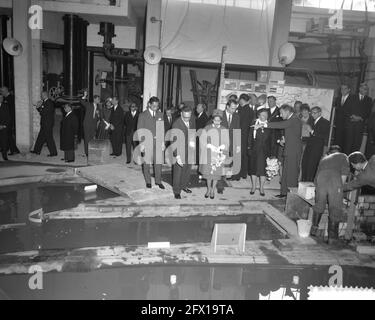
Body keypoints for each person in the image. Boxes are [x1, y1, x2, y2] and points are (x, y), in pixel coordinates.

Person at [258, 104, 302, 198]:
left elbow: (281, 125)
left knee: (291, 175)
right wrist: (284, 139)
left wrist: (264, 124)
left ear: (287, 111)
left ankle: (291, 197)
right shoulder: (290, 120)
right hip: (288, 149)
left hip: (293, 151)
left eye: (281, 113)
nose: (281, 115)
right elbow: (291, 133)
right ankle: (284, 193)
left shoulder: (294, 119)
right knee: (285, 173)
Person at [311, 145, 350, 245]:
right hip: (334, 179)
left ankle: (313, 230)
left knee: (319, 204)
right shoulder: (343, 156)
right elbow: (344, 176)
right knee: (335, 207)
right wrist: (339, 191)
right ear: (339, 151)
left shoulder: (324, 158)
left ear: (330, 152)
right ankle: (332, 238)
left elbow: (316, 179)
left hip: (321, 179)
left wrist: (319, 192)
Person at [199, 109, 229, 199]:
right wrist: (208, 145)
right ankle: (208, 189)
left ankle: (213, 190)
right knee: (208, 174)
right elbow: (202, 139)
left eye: (219, 120)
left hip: (218, 155)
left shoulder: (224, 129)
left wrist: (223, 146)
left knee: (216, 174)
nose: (217, 122)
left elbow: (227, 141)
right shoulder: (207, 128)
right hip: (208, 154)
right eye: (215, 120)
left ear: (221, 120)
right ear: (212, 120)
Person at [137, 96, 165, 189]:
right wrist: (141, 144)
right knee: (146, 163)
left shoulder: (160, 114)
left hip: (158, 142)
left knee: (158, 163)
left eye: (157, 106)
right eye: (153, 106)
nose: (155, 108)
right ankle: (148, 181)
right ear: (149, 104)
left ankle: (158, 181)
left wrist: (162, 142)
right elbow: (140, 130)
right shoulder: (142, 115)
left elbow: (161, 129)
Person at [172, 105, 196, 199]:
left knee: (187, 170)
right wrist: (177, 156)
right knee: (178, 172)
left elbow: (193, 133)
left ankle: (184, 186)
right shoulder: (176, 124)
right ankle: (176, 191)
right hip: (180, 151)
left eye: (189, 117)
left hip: (189, 149)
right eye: (185, 117)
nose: (187, 119)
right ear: (181, 114)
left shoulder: (192, 119)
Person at [301, 107, 330, 182]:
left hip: (317, 147)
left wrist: (312, 131)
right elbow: (308, 134)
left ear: (320, 113)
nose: (313, 114)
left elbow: (324, 135)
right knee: (305, 163)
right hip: (309, 146)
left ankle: (309, 183)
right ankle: (303, 181)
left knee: (312, 165)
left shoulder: (325, 122)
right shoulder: (311, 121)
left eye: (315, 113)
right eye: (312, 113)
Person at [343, 82, 372, 155]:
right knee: (347, 144)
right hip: (350, 124)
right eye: (364, 89)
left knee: (356, 145)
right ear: (360, 89)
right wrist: (352, 116)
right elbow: (345, 109)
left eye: (367, 89)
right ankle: (345, 162)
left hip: (360, 126)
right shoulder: (351, 97)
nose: (366, 91)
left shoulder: (369, 100)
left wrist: (360, 118)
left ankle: (354, 163)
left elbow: (368, 112)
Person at [248, 108, 271, 197]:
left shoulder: (270, 125)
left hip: (265, 151)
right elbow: (249, 138)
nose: (264, 117)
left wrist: (272, 154)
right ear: (258, 115)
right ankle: (253, 187)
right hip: (255, 150)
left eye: (266, 115)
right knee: (253, 169)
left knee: (263, 170)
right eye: (262, 115)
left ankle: (261, 187)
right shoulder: (253, 124)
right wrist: (249, 148)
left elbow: (272, 140)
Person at [233, 94, 254, 180]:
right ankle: (243, 173)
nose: (239, 101)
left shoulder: (244, 110)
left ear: (244, 100)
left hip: (241, 135)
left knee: (239, 155)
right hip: (244, 135)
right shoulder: (245, 109)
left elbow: (242, 125)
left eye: (241, 99)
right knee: (243, 155)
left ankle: (237, 175)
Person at [31, 91, 58, 156]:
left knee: (49, 138)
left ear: (45, 95)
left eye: (42, 95)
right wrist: (39, 107)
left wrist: (38, 107)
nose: (41, 96)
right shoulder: (44, 102)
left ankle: (54, 153)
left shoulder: (49, 102)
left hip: (47, 123)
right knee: (40, 137)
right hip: (44, 123)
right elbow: (42, 111)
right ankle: (37, 150)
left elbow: (44, 112)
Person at [222, 99, 241, 179]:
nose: (234, 110)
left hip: (231, 144)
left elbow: (237, 131)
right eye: (232, 108)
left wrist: (238, 145)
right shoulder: (219, 114)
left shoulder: (236, 116)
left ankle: (223, 179)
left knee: (228, 161)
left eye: (235, 108)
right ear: (227, 107)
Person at [334, 84, 356, 151]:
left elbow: (354, 111)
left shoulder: (353, 99)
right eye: (342, 89)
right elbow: (336, 112)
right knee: (337, 143)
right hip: (338, 125)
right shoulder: (338, 99)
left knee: (346, 145)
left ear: (349, 90)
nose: (343, 90)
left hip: (348, 126)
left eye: (345, 88)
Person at [1, 87, 19, 155]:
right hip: (7, 120)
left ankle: (13, 150)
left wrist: (9, 121)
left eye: (2, 91)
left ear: (5, 91)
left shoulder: (10, 98)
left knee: (9, 135)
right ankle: (11, 149)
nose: (1, 93)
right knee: (8, 135)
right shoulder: (6, 98)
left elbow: (11, 111)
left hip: (9, 120)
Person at [0, 94, 10, 161]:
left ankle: (4, 156)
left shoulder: (5, 105)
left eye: (2, 97)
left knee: (4, 142)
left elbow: (8, 117)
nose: (1, 99)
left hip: (3, 127)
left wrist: (4, 125)